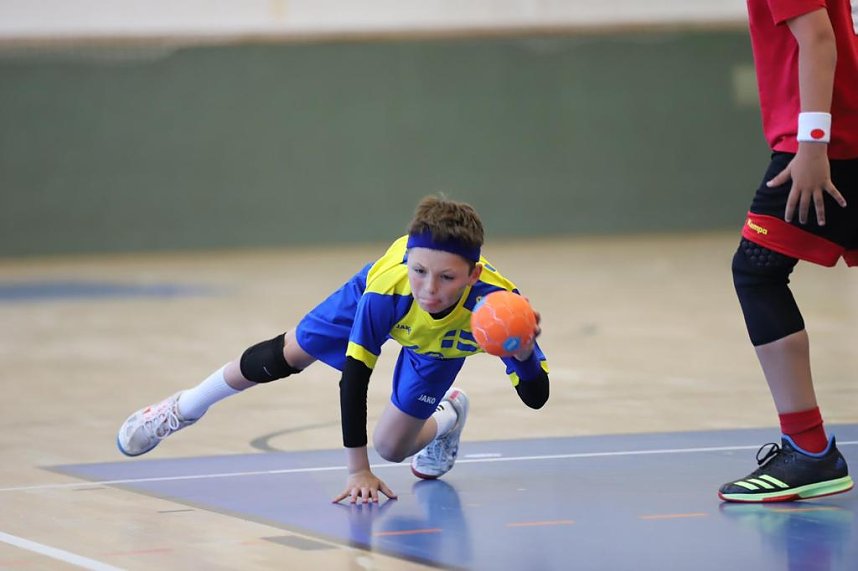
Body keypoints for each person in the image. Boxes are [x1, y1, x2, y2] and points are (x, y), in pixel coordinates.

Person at [117, 195, 550, 503]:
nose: (430, 289)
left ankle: (449, 414)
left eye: (447, 278)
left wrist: (524, 352)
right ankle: (183, 407)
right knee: (289, 354)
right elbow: (355, 377)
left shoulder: (500, 312)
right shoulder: (388, 290)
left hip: (437, 348)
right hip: (379, 301)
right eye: (419, 270)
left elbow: (536, 398)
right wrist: (356, 471)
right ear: (408, 262)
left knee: (393, 449)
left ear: (473, 274)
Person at [718, 0, 857, 502]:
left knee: (757, 272)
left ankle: (808, 449)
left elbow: (818, 37)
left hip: (827, 144)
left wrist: (813, 143)